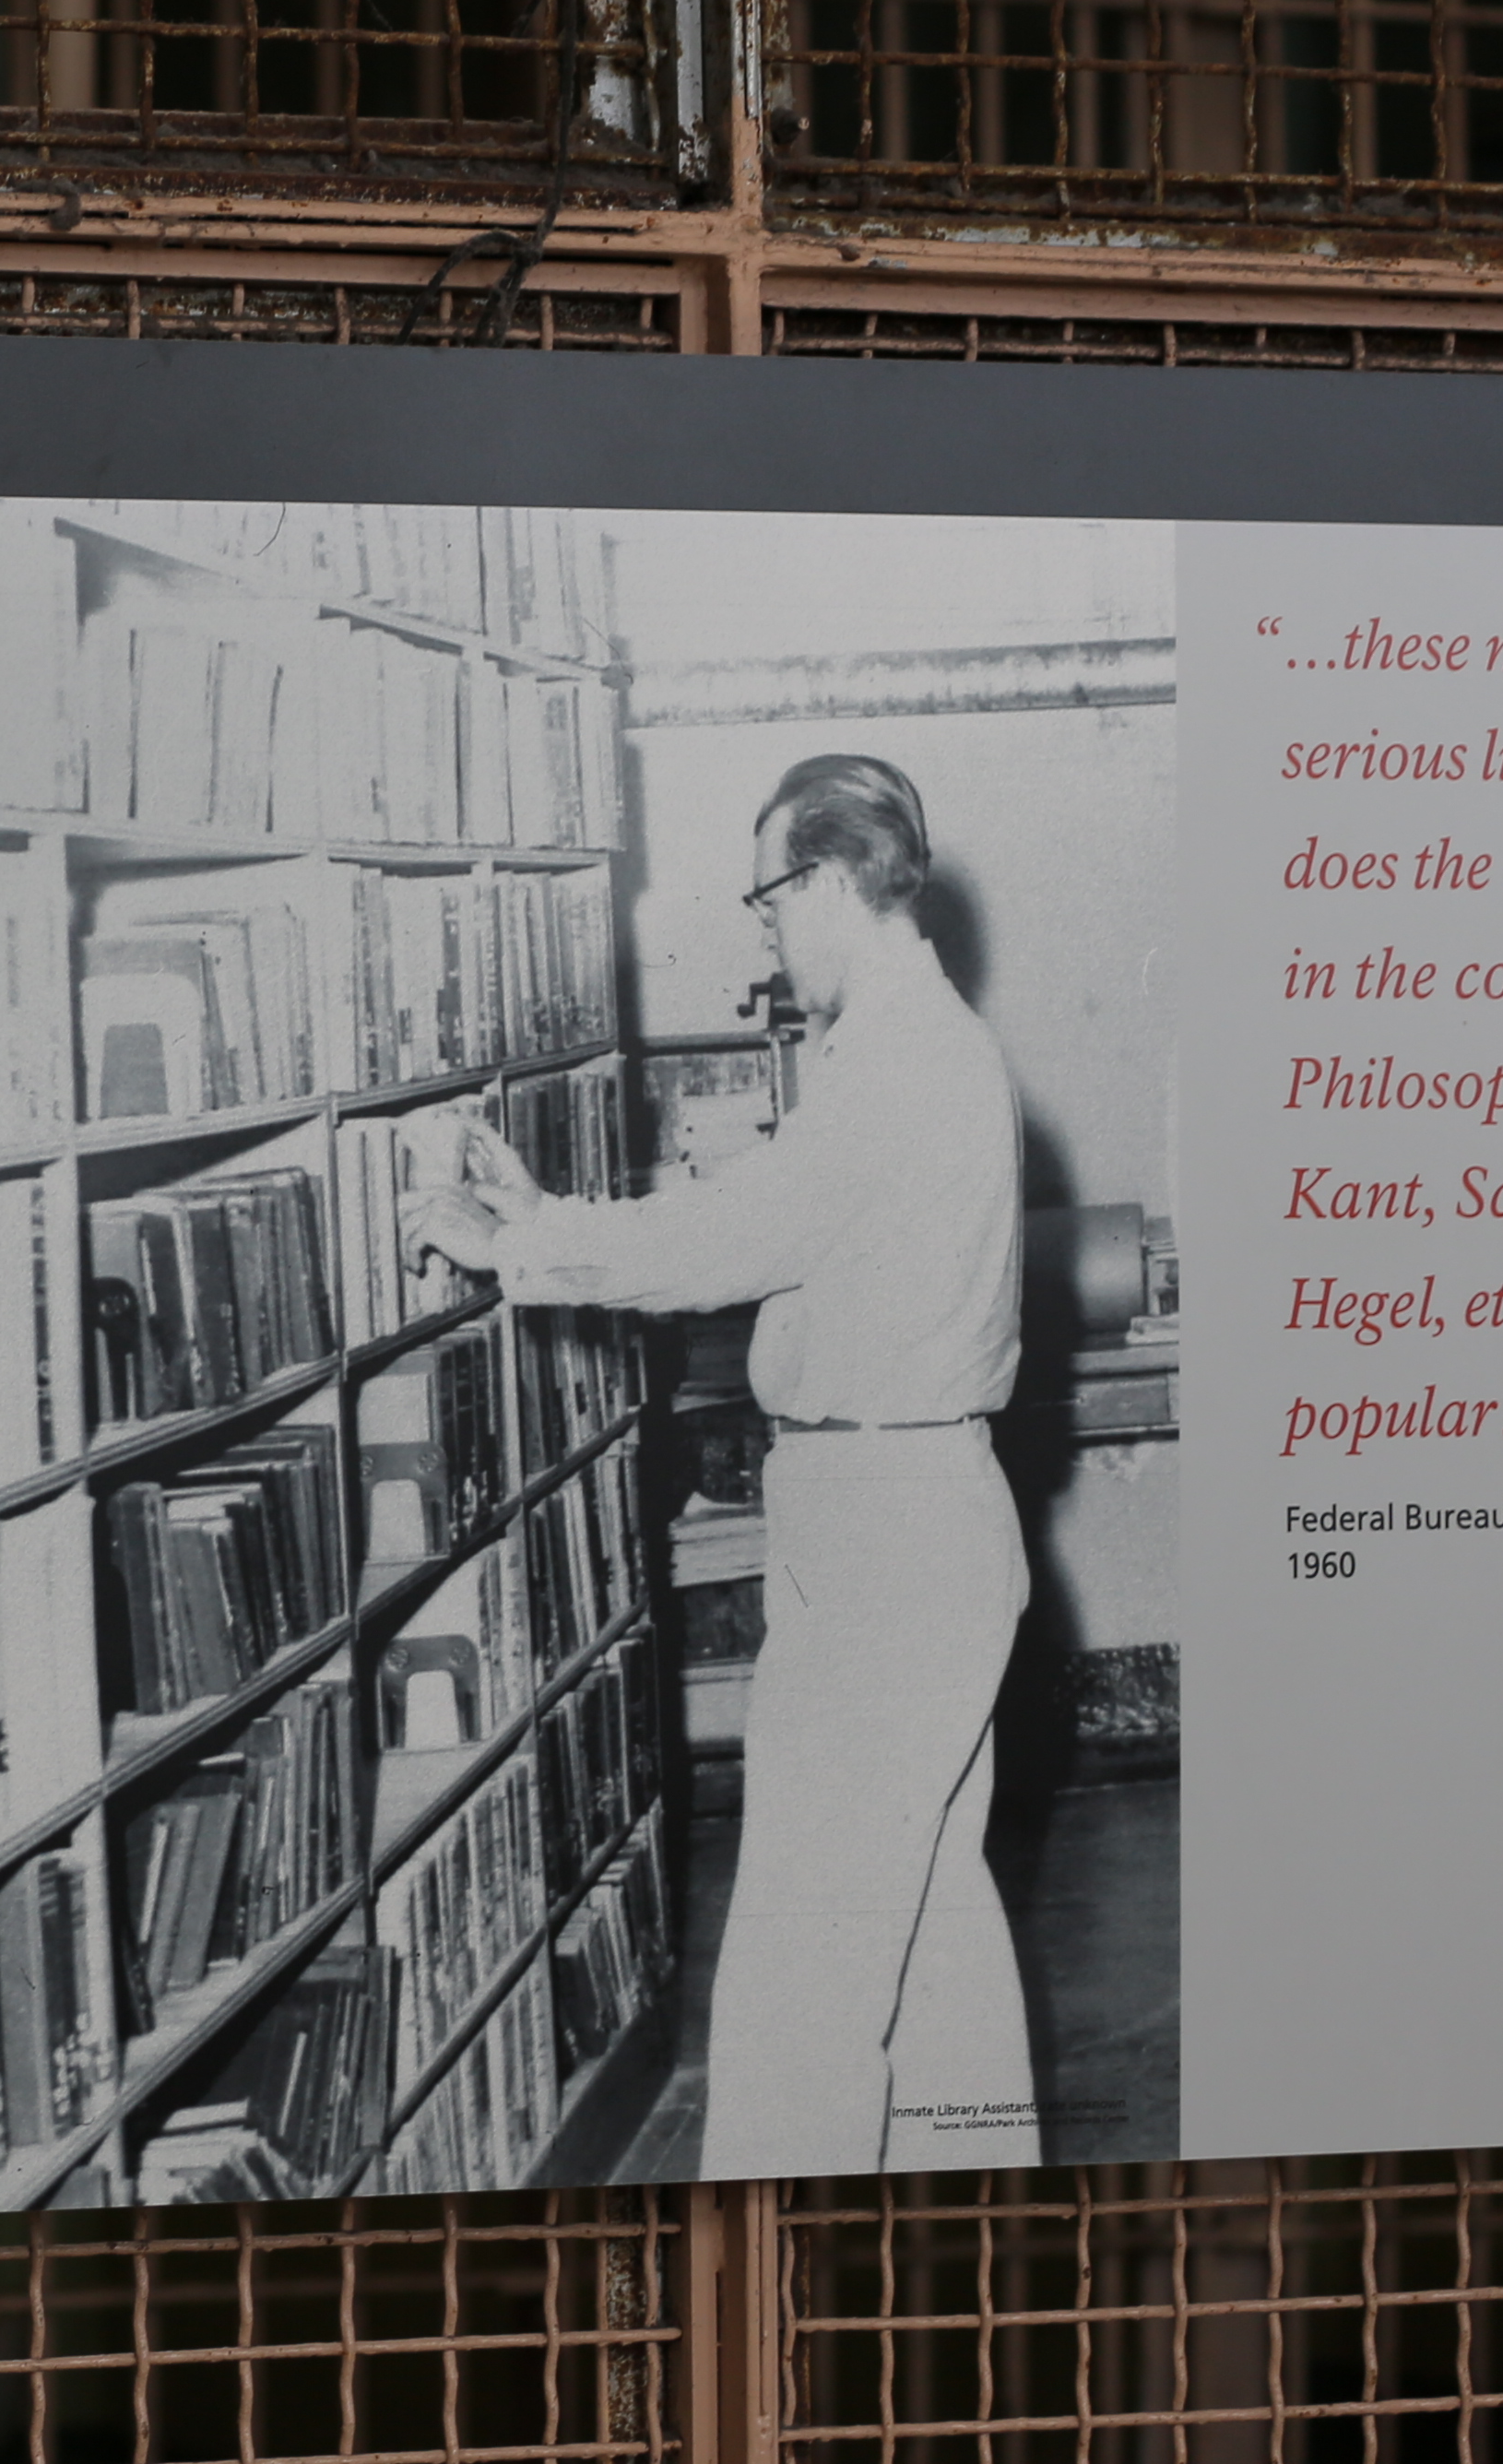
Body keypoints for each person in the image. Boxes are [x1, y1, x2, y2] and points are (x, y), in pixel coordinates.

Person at [408, 751, 1038, 2175]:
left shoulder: (905, 1066)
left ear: (823, 883)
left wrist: (517, 1241)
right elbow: (766, 1218)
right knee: (933, 1941)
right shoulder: (911, 1055)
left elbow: (726, 1240)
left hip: (887, 1535)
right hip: (903, 1521)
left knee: (801, 1976)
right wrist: (555, 1215)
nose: (761, 931)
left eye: (767, 898)